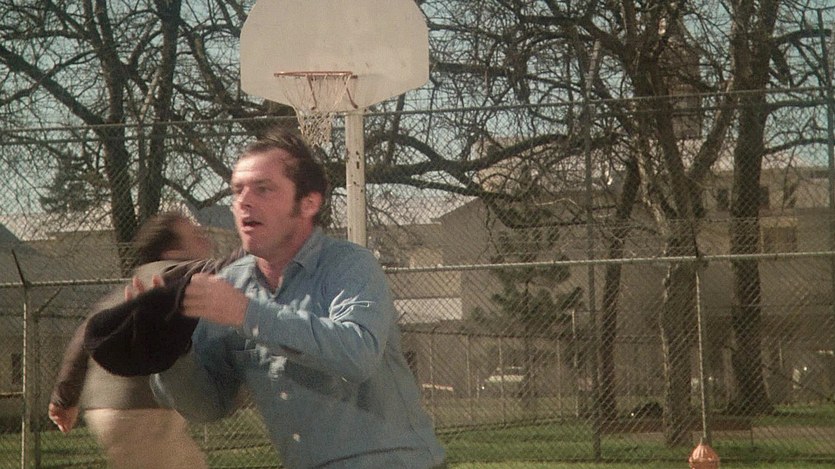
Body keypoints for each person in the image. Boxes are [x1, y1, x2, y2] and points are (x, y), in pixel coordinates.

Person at [149, 129, 447, 469]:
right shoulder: (229, 285)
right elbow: (209, 407)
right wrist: (169, 353)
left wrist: (247, 314)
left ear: (309, 203)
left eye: (263, 189)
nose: (244, 201)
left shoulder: (351, 266)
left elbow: (358, 354)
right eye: (237, 190)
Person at [48, 211, 211, 469]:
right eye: (196, 236)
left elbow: (87, 334)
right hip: (141, 410)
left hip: (109, 408)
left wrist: (64, 399)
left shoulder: (131, 286)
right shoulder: (178, 276)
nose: (205, 239)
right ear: (172, 252)